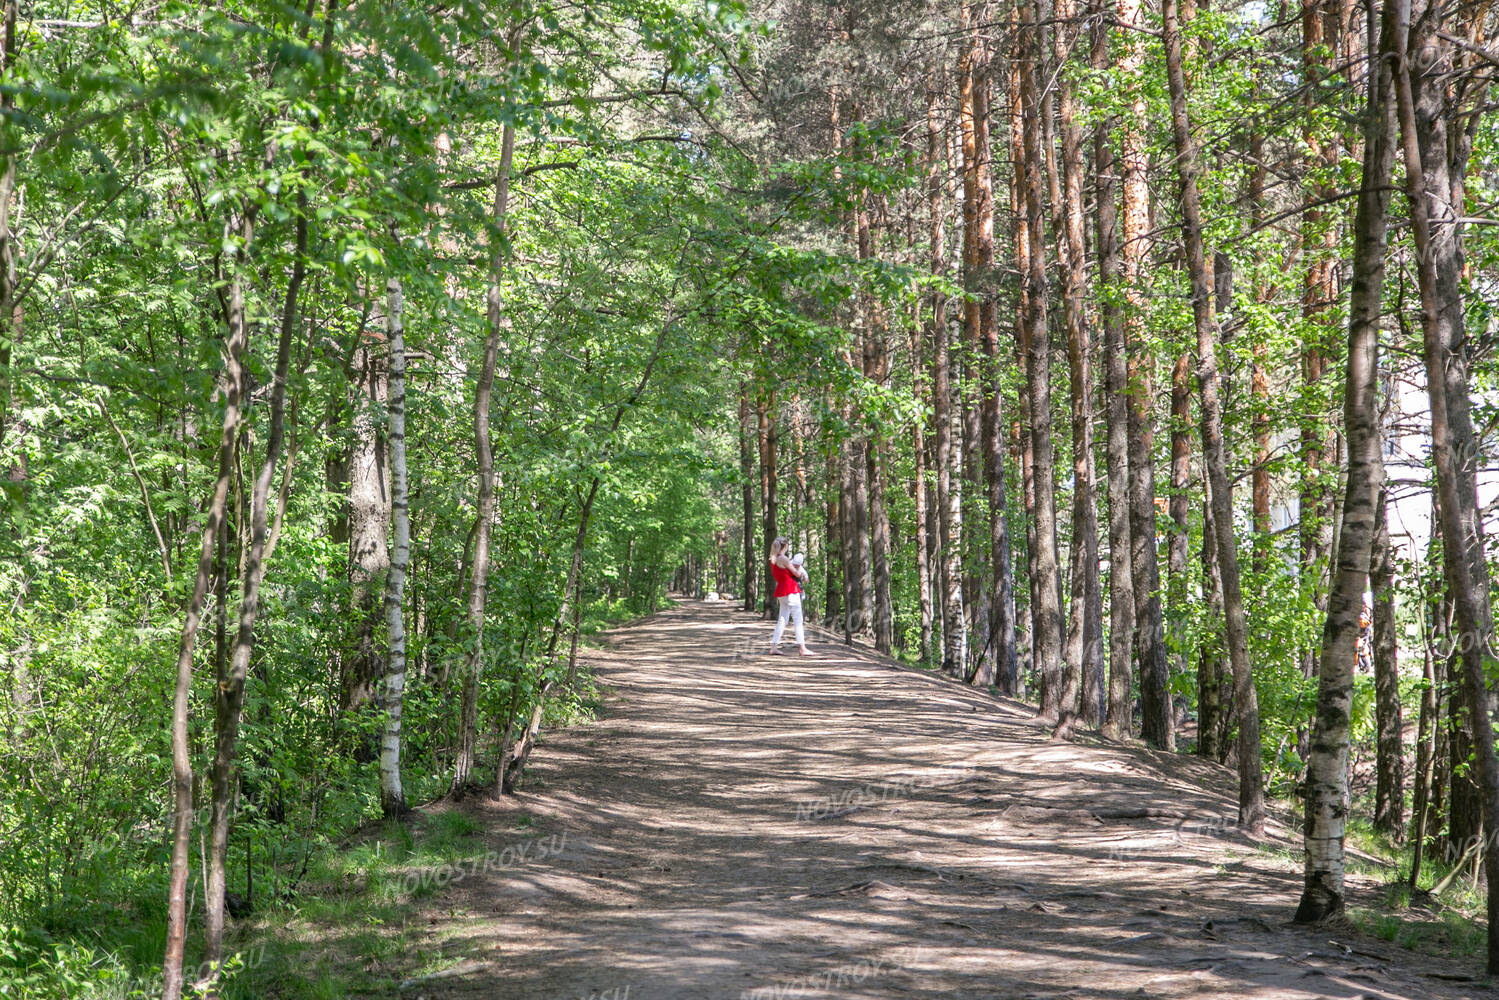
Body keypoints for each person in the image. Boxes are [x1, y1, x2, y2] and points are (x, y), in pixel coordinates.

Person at [768, 536, 813, 656]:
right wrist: (803, 575)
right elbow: (797, 573)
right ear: (785, 546)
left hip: (781, 591)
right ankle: (802, 648)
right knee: (798, 619)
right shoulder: (784, 559)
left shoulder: (773, 558)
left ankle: (774, 646)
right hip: (791, 590)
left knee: (782, 619)